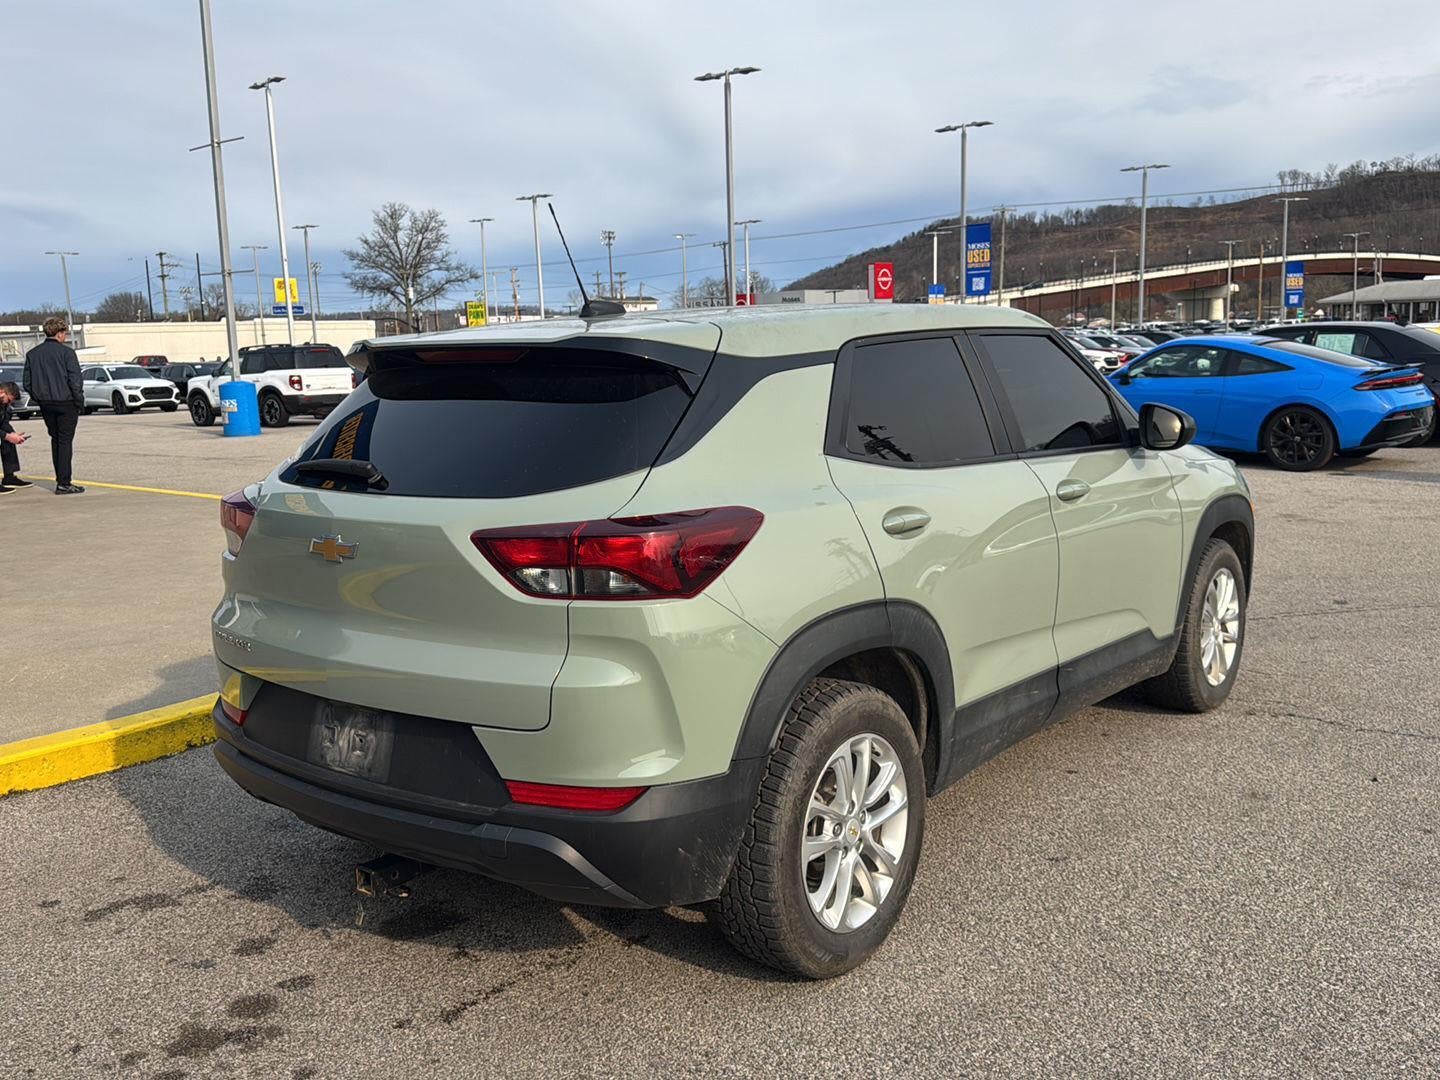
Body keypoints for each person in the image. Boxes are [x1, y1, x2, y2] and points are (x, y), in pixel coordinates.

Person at [22, 316, 85, 494]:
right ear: (59, 333)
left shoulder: (33, 354)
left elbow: (27, 382)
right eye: (64, 333)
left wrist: (38, 397)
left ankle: (61, 479)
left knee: (56, 439)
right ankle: (64, 482)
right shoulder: (67, 353)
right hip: (66, 402)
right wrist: (79, 401)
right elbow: (75, 380)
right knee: (65, 441)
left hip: (46, 403)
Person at [0, 381, 33, 494]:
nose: (9, 404)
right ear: (1, 392)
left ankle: (9, 477)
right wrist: (7, 436)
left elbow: (3, 423)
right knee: (7, 437)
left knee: (9, 438)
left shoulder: (3, 404)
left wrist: (13, 435)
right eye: (8, 400)